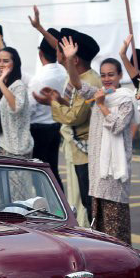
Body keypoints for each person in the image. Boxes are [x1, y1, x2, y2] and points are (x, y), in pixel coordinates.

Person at [62, 37, 137, 244]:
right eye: (103, 75)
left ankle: (122, 259)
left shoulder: (125, 99)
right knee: (100, 227)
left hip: (115, 173)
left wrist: (102, 105)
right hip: (97, 170)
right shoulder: (98, 94)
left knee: (116, 226)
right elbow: (77, 83)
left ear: (120, 75)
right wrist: (70, 60)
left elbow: (117, 125)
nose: (106, 79)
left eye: (111, 74)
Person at [47, 30, 100, 224]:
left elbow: (75, 116)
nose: (57, 54)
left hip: (85, 151)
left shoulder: (87, 81)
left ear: (75, 59)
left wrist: (54, 103)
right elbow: (72, 106)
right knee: (81, 200)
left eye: (60, 50)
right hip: (76, 149)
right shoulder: (78, 77)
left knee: (88, 202)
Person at [28, 28, 68, 181]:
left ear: (40, 54)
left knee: (39, 175)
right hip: (57, 126)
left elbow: (30, 108)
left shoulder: (38, 78)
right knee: (53, 172)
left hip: (39, 130)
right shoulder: (64, 73)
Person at [0, 47, 32, 158]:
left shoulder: (18, 86)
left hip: (17, 148)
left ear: (15, 64)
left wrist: (0, 82)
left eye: (6, 61)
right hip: (1, 144)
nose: (1, 64)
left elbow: (16, 107)